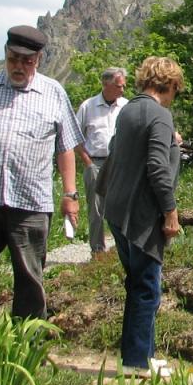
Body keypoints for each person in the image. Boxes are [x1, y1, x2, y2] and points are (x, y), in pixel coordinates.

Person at [0, 25, 85, 326]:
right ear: (5, 54)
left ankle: (28, 346)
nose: (19, 66)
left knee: (30, 278)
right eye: (13, 59)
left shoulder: (54, 93)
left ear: (39, 59)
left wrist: (70, 194)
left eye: (27, 61)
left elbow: (65, 148)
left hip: (31, 201)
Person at [102, 56, 184, 375]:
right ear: (171, 84)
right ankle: (137, 362)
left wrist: (170, 142)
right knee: (147, 286)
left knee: (136, 282)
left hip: (117, 207)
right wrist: (170, 213)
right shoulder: (160, 114)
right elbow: (156, 168)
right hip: (142, 212)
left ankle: (141, 355)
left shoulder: (128, 110)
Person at [75, 67, 129, 253]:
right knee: (96, 210)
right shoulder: (88, 107)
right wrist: (88, 163)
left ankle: (122, 248)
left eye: (124, 86)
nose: (122, 90)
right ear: (105, 84)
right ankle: (97, 251)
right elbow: (75, 138)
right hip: (96, 162)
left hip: (120, 163)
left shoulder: (126, 106)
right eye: (118, 86)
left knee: (123, 206)